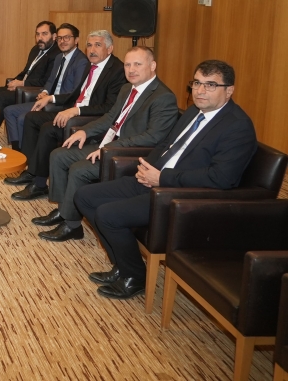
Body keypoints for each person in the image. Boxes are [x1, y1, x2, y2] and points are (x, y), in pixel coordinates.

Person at [74, 60, 257, 300]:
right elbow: (166, 145)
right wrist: (147, 168)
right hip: (155, 179)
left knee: (108, 215)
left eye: (210, 85)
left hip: (180, 196)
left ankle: (134, 277)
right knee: (85, 196)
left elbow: (221, 178)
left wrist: (162, 177)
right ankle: (122, 263)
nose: (200, 91)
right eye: (197, 83)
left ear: (229, 90)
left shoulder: (237, 126)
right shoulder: (194, 111)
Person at [34, 46, 179, 241]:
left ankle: (72, 225)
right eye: (127, 65)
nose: (131, 70)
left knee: (79, 169)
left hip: (127, 154)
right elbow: (110, 117)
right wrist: (85, 131)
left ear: (152, 66)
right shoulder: (127, 88)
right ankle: (64, 210)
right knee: (59, 155)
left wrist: (110, 149)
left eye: (137, 64)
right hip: (109, 144)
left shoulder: (163, 97)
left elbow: (153, 137)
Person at [8, 30, 126, 200]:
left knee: (49, 129)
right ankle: (31, 171)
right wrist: (51, 98)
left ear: (110, 49)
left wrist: (76, 111)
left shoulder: (117, 70)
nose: (92, 50)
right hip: (73, 111)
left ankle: (39, 184)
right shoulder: (91, 65)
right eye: (89, 45)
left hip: (89, 119)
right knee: (32, 117)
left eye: (98, 45)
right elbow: (75, 94)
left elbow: (109, 107)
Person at [0, 21, 60, 144]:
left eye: (44, 34)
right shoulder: (35, 50)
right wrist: (13, 82)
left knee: (2, 97)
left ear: (54, 36)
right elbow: (26, 71)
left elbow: (46, 81)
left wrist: (22, 84)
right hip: (23, 86)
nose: (40, 38)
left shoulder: (56, 55)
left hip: (33, 91)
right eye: (37, 34)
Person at [1, 23, 88, 150]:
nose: (62, 41)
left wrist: (51, 98)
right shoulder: (59, 57)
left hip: (63, 105)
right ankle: (17, 149)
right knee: (9, 111)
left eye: (67, 38)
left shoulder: (81, 61)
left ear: (76, 40)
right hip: (48, 100)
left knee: (23, 118)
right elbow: (51, 80)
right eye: (60, 38)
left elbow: (75, 93)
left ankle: (24, 152)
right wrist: (45, 91)